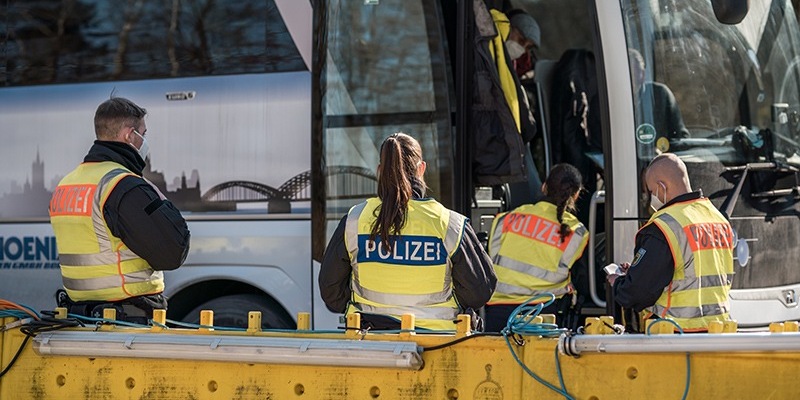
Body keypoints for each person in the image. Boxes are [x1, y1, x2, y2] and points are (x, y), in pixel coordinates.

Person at [319, 133, 497, 331]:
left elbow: (331, 292)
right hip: (437, 342)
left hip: (368, 341)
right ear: (421, 169)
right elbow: (480, 291)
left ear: (380, 171)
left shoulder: (354, 220)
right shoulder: (450, 223)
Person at [49, 97, 190, 325]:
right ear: (129, 135)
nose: (145, 140)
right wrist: (161, 200)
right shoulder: (122, 186)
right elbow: (173, 251)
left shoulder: (67, 184)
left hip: (78, 318)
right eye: (143, 133)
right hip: (127, 320)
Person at [607, 153, 734, 332]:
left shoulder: (664, 226)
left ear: (662, 186)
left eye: (652, 191)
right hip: (719, 331)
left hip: (675, 335)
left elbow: (638, 292)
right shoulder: (718, 218)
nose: (652, 197)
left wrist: (619, 282)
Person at [484, 164, 589, 332]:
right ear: (576, 195)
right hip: (544, 316)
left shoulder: (506, 219)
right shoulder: (577, 232)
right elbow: (580, 279)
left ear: (544, 187)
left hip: (498, 314)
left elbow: (488, 264)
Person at [629, 49, 691, 141]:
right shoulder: (606, 102)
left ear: (642, 74)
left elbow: (681, 138)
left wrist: (663, 152)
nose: (629, 78)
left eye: (633, 73)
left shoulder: (660, 95)